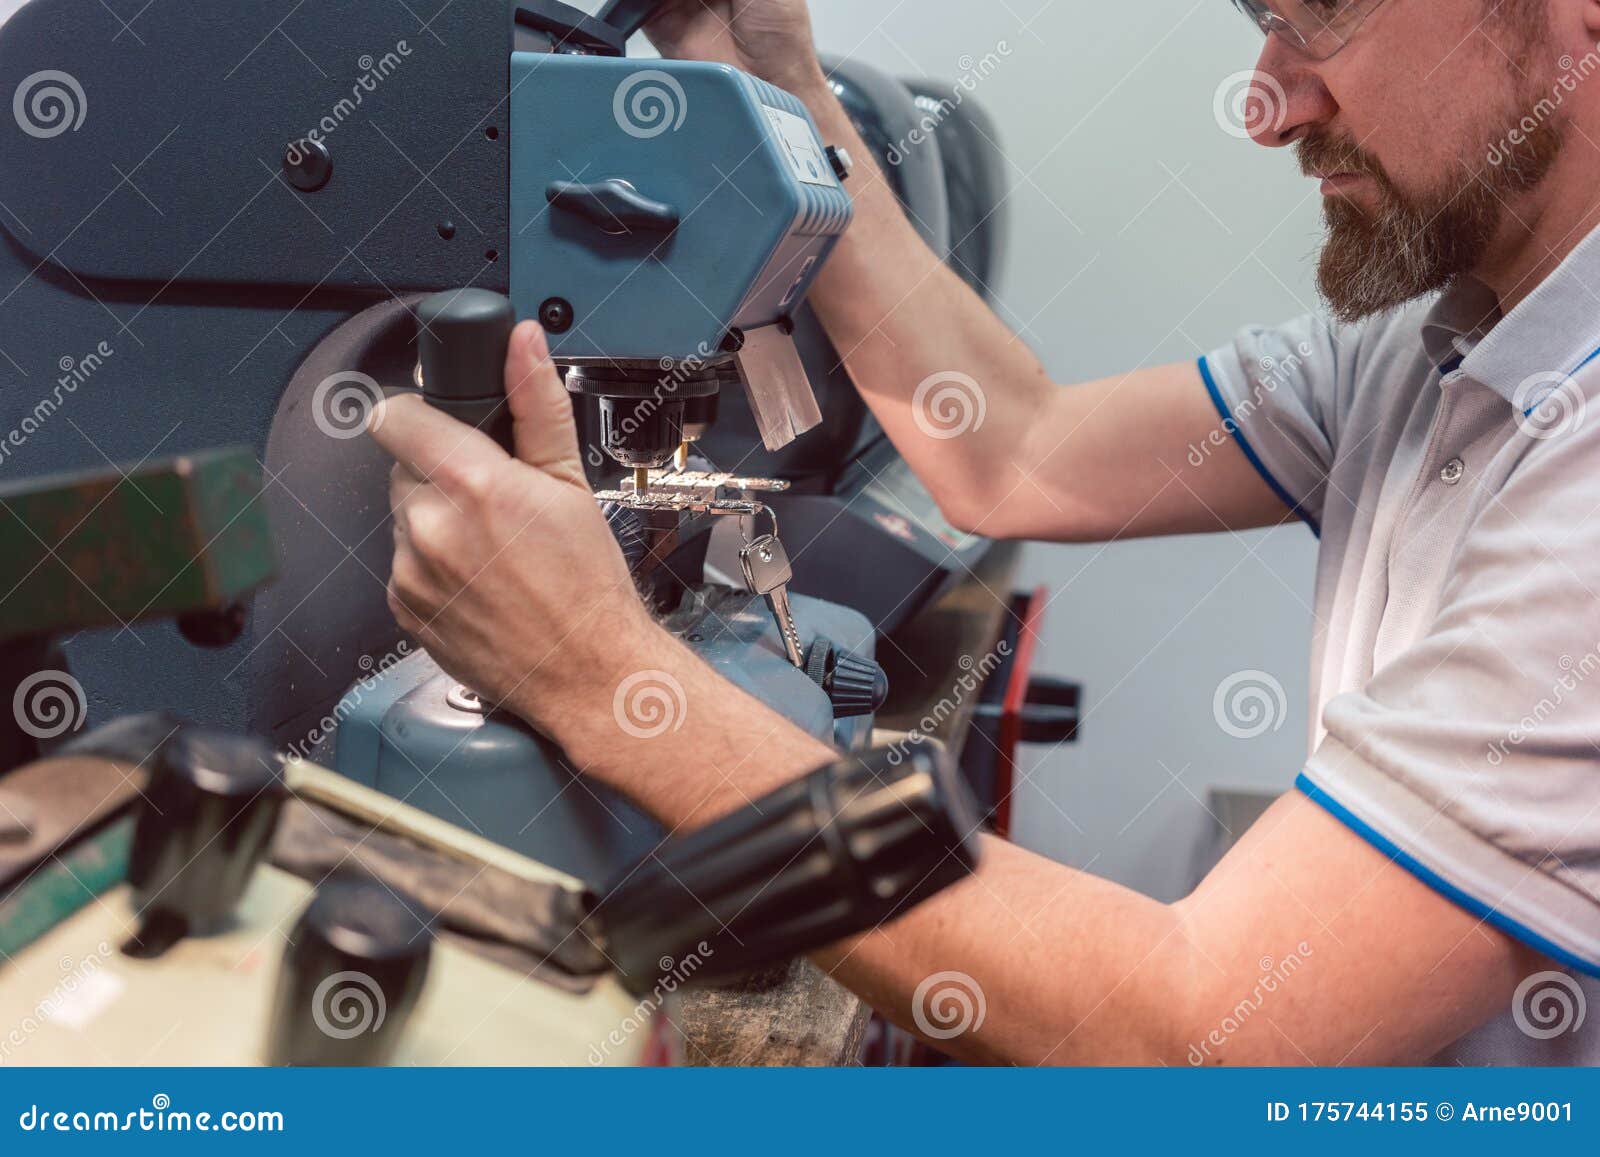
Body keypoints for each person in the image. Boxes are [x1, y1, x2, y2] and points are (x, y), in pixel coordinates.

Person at [368, 0, 1600, 1065]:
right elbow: (1013, 449)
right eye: (1262, 23)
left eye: (1322, 13)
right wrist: (766, 76)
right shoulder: (1435, 338)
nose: (1266, 107)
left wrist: (601, 676)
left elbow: (1205, 1030)